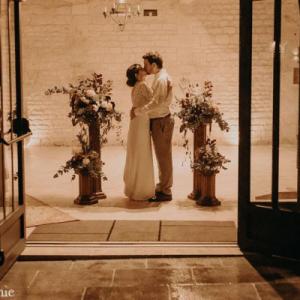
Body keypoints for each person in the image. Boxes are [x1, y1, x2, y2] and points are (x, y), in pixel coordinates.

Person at [131, 52, 174, 202]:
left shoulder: (161, 79)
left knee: (163, 156)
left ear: (154, 65)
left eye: (146, 64)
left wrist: (137, 111)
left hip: (161, 121)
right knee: (162, 155)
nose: (144, 67)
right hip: (159, 120)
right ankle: (163, 186)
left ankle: (166, 190)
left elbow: (156, 102)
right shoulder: (159, 77)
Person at [123, 64, 156, 201]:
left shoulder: (136, 87)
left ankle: (134, 188)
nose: (144, 69)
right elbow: (154, 101)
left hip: (136, 121)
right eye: (140, 69)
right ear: (137, 75)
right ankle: (142, 190)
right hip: (141, 120)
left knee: (137, 151)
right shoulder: (142, 85)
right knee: (142, 153)